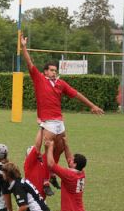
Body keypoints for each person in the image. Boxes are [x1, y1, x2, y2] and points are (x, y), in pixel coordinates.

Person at [20, 34, 104, 189]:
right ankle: (45, 181)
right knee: (48, 149)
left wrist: (92, 105)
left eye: (55, 70)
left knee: (59, 149)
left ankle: (52, 176)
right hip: (48, 122)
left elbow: (76, 94)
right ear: (45, 72)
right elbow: (29, 63)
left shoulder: (61, 83)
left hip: (59, 122)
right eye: (51, 70)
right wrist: (24, 46)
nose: (54, 72)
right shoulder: (39, 79)